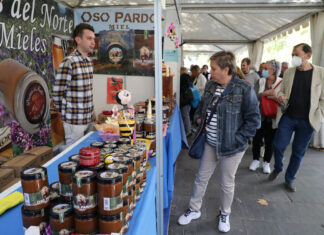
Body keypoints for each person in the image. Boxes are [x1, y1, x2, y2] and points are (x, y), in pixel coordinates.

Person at [178, 51, 260, 233]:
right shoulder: (210, 86)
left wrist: (238, 139)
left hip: (232, 147)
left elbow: (254, 120)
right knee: (201, 178)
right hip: (210, 142)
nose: (210, 72)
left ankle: (225, 213)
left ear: (226, 69)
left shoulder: (244, 89)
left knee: (226, 182)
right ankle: (194, 209)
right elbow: (201, 107)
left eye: (214, 68)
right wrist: (199, 118)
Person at [269, 43, 324, 192]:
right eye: (292, 54)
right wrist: (281, 97)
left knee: (298, 152)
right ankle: (278, 167)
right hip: (288, 116)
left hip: (307, 121)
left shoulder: (320, 73)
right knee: (278, 145)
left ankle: (289, 178)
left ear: (307, 56)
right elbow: (281, 91)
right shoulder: (289, 72)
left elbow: (323, 99)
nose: (293, 57)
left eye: (296, 54)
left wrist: (320, 114)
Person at [52, 23, 96, 146]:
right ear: (78, 40)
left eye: (93, 38)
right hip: (74, 121)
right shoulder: (68, 62)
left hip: (88, 119)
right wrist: (67, 113)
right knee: (73, 156)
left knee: (87, 152)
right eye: (89, 38)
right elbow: (57, 94)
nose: (93, 42)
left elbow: (87, 91)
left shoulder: (88, 62)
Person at [249, 60, 282, 174]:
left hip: (273, 116)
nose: (263, 70)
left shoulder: (282, 82)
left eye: (266, 68)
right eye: (263, 68)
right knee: (257, 139)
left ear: (273, 70)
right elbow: (253, 97)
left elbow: (284, 101)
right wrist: (263, 94)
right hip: (260, 115)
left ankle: (266, 163)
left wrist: (274, 97)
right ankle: (255, 160)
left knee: (270, 141)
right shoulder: (261, 81)